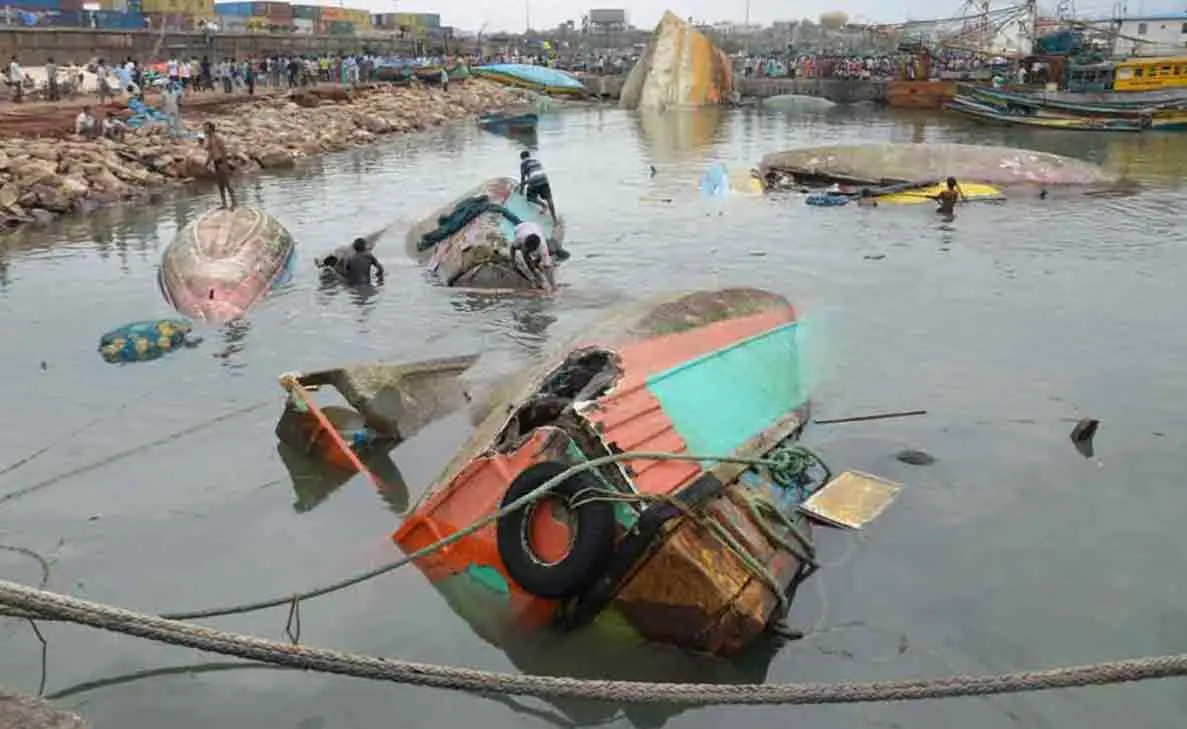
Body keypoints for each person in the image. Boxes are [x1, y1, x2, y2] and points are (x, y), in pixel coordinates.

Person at [511, 220, 555, 292]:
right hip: (520, 228)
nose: (526, 250)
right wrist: (513, 261)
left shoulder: (542, 247)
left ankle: (537, 272)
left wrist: (553, 286)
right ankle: (533, 279)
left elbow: (548, 267)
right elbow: (512, 248)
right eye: (526, 248)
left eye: (530, 249)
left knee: (542, 263)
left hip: (536, 228)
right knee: (521, 259)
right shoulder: (519, 238)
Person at [204, 121, 236, 209]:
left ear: (210, 128)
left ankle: (234, 203)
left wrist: (225, 165)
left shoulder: (218, 137)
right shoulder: (210, 138)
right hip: (216, 163)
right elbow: (211, 153)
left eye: (206, 127)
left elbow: (224, 150)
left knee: (227, 183)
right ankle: (224, 203)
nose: (204, 129)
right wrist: (206, 163)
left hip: (222, 162)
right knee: (220, 185)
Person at [519, 150, 558, 223]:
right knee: (549, 199)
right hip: (544, 179)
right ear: (529, 155)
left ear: (522, 158)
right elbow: (537, 173)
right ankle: (554, 218)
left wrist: (521, 190)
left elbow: (523, 177)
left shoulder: (523, 163)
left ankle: (543, 205)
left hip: (534, 180)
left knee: (530, 197)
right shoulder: (536, 161)